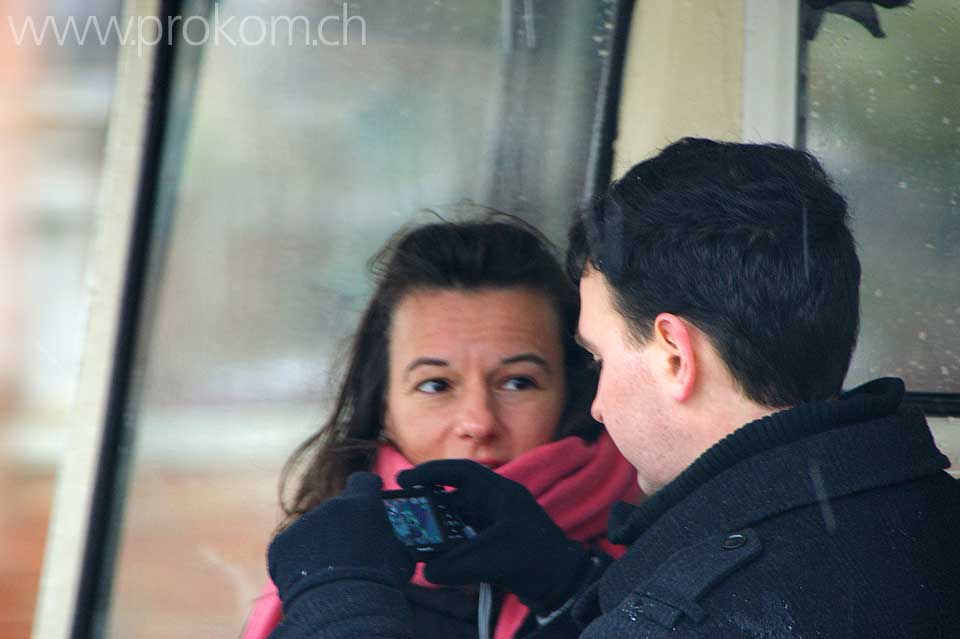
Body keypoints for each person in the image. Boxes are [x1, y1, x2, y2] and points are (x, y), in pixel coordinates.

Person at [264, 139, 960, 638]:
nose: (596, 402)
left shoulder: (700, 605)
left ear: (673, 353)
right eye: (436, 382)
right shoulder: (918, 514)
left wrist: (335, 597)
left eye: (596, 356)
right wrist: (568, 583)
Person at [242, 215, 642, 639]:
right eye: (436, 385)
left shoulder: (651, 555)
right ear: (383, 404)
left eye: (517, 382)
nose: (478, 422)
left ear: (573, 392)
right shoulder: (327, 567)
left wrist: (574, 591)